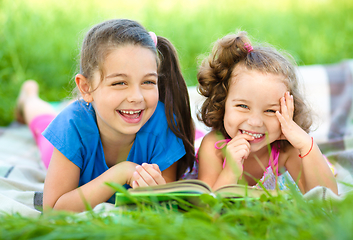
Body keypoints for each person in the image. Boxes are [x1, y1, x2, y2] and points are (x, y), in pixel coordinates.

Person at [15, 19, 195, 212]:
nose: (137, 97)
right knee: (43, 123)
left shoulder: (164, 125)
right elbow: (53, 210)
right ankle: (29, 97)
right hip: (72, 140)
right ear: (86, 87)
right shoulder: (72, 126)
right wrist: (121, 172)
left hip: (96, 110)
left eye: (148, 82)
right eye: (119, 83)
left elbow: (162, 200)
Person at [196, 31, 338, 194]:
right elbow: (207, 207)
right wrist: (230, 172)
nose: (255, 122)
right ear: (222, 102)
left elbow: (328, 200)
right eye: (243, 106)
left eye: (270, 110)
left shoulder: (286, 149)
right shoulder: (214, 146)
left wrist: (306, 144)